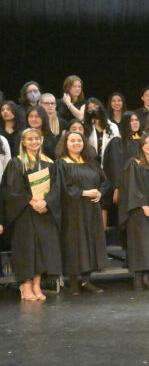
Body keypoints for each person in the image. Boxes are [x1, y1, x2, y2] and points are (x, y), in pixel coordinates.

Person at [2, 128, 62, 301]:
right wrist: (32, 201)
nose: (34, 141)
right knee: (27, 248)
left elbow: (57, 188)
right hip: (24, 213)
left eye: (37, 138)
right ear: (23, 142)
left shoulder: (49, 163)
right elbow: (12, 190)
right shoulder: (17, 163)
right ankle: (25, 284)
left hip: (43, 212)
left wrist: (46, 202)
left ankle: (36, 283)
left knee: (41, 248)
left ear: (41, 140)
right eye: (30, 139)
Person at [55, 131, 109, 295]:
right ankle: (73, 283)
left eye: (79, 140)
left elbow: (105, 182)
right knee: (74, 244)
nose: (76, 143)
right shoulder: (61, 163)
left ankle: (86, 281)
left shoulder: (91, 163)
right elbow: (63, 187)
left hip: (91, 209)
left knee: (90, 242)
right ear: (66, 143)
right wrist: (84, 193)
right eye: (72, 141)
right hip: (72, 210)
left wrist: (99, 193)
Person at [118, 134, 149, 290]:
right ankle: (137, 277)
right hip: (138, 211)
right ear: (141, 145)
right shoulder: (133, 163)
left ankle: (147, 276)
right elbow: (132, 188)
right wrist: (144, 206)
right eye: (146, 143)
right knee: (140, 243)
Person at [102, 112, 142, 228]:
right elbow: (115, 167)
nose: (135, 123)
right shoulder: (117, 142)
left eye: (137, 120)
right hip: (124, 187)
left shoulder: (144, 141)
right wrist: (117, 188)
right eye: (131, 120)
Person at [84, 98, 120, 165]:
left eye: (95, 107)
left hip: (109, 163)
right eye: (90, 108)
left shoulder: (113, 126)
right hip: (91, 164)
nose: (94, 110)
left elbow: (117, 148)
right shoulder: (85, 127)